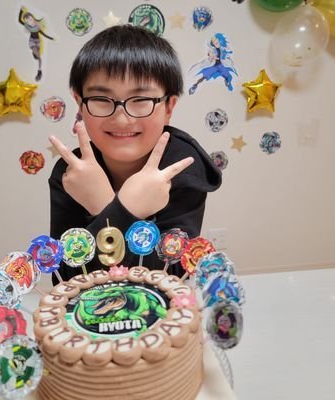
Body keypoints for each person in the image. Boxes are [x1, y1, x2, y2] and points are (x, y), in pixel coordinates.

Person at [49, 24, 222, 285]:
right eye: (101, 99)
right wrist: (117, 210)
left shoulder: (181, 166)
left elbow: (172, 275)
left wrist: (109, 210)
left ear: (168, 107)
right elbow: (67, 277)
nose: (122, 118)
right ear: (79, 104)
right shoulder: (71, 172)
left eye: (141, 100)